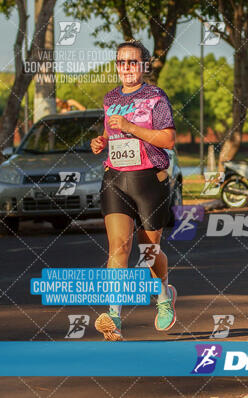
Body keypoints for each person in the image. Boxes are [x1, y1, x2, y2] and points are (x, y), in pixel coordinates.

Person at [90, 40, 177, 341]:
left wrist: (130, 127)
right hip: (116, 178)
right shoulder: (110, 97)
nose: (126, 68)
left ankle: (164, 296)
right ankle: (113, 316)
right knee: (118, 248)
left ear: (143, 65)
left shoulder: (155, 97)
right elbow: (109, 131)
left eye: (132, 62)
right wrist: (101, 142)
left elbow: (167, 140)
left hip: (149, 180)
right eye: (121, 62)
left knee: (149, 252)